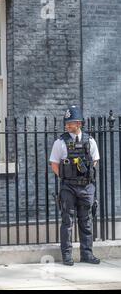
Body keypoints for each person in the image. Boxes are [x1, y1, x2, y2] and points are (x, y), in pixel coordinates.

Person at [49, 105, 101, 266]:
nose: (67, 125)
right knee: (67, 221)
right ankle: (67, 255)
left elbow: (95, 161)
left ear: (79, 123)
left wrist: (84, 175)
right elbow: (54, 164)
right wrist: (66, 176)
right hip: (68, 187)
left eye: (70, 123)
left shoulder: (90, 141)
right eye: (66, 123)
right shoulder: (60, 142)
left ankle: (87, 254)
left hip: (86, 187)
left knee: (86, 221)